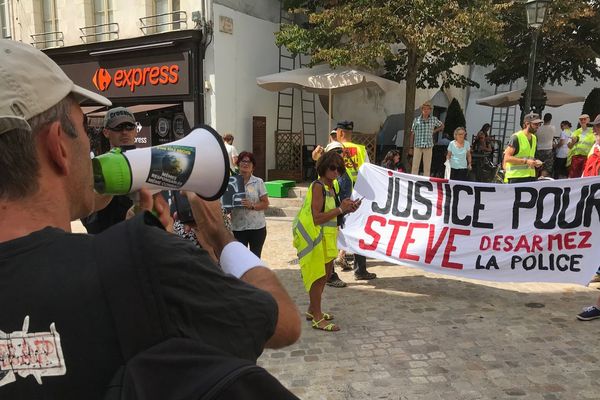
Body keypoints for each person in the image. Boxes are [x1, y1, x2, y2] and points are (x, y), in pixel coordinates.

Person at [0, 39, 300, 398]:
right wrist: (221, 238)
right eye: (83, 128)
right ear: (57, 146)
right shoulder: (138, 258)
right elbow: (284, 322)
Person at [292, 151, 360, 331]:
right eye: (332, 168)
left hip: (328, 239)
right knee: (318, 278)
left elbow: (334, 213)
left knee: (326, 276)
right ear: (323, 168)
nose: (336, 172)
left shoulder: (332, 187)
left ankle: (312, 310)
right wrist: (340, 209)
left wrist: (348, 209)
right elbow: (316, 218)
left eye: (339, 168)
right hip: (316, 239)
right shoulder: (318, 186)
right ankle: (317, 317)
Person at [81, 107, 138, 233]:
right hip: (107, 239)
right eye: (118, 127)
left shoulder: (146, 159)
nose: (124, 132)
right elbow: (88, 217)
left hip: (140, 240)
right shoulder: (97, 165)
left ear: (135, 130)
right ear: (106, 132)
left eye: (129, 127)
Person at [335, 120, 377, 281]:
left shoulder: (331, 148)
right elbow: (368, 172)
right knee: (359, 230)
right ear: (350, 133)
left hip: (334, 195)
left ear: (339, 133)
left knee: (333, 229)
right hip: (356, 197)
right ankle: (360, 269)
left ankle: (329, 271)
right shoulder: (360, 149)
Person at [576, 114, 600, 320]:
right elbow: (587, 172)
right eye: (595, 128)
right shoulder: (595, 147)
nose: (595, 131)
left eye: (598, 128)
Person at [230, 151, 270, 257]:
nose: (246, 164)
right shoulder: (231, 182)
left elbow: (265, 204)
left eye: (249, 162)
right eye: (243, 161)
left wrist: (252, 205)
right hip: (238, 227)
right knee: (239, 258)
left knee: (255, 258)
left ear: (253, 167)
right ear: (238, 164)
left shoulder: (258, 182)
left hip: (257, 228)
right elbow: (226, 204)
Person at [503, 113, 544, 183]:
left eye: (539, 124)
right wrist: (526, 161)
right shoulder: (516, 137)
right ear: (527, 124)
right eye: (536, 124)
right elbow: (507, 158)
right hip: (516, 177)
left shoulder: (534, 138)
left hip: (530, 176)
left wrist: (535, 161)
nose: (538, 126)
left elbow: (529, 156)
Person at [410, 101, 444, 176]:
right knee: (415, 166)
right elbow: (412, 133)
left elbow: (442, 126)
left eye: (428, 109)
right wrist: (411, 147)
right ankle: (413, 181)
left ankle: (426, 181)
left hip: (428, 146)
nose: (426, 110)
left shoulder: (433, 119)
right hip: (417, 145)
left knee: (427, 166)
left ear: (430, 110)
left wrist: (434, 131)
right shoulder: (416, 120)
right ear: (422, 109)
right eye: (424, 108)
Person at [535, 113, 556, 178]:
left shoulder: (538, 129)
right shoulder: (552, 128)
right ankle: (542, 178)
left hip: (539, 149)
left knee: (537, 166)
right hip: (548, 149)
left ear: (543, 119)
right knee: (546, 167)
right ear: (550, 119)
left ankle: (535, 178)